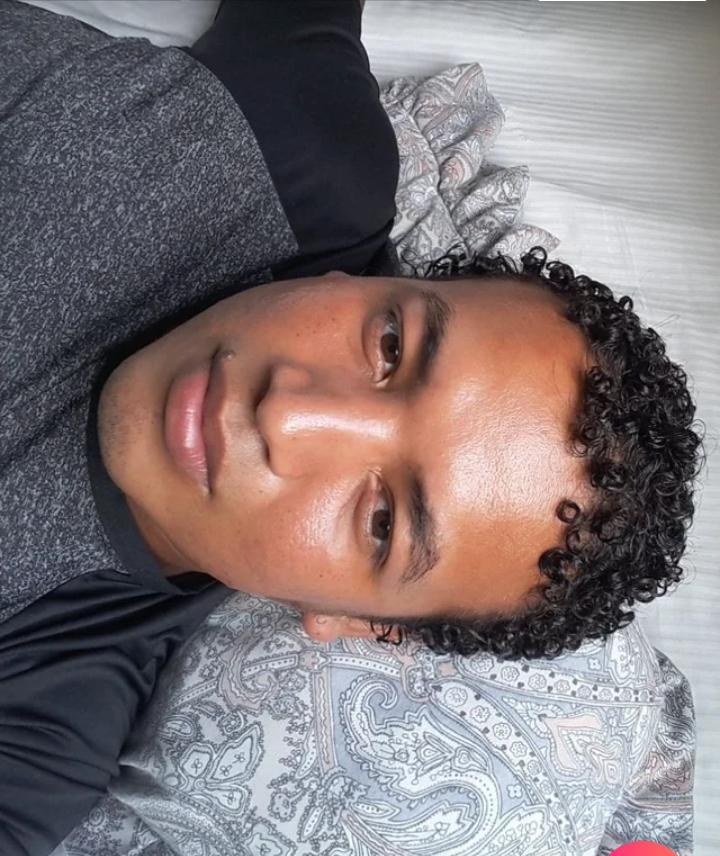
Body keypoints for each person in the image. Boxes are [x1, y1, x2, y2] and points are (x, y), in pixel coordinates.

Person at [0, 1, 704, 854]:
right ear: (373, 277)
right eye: (392, 344)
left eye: (381, 520)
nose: (288, 412)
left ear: (351, 619)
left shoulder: (42, 718)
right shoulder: (300, 154)